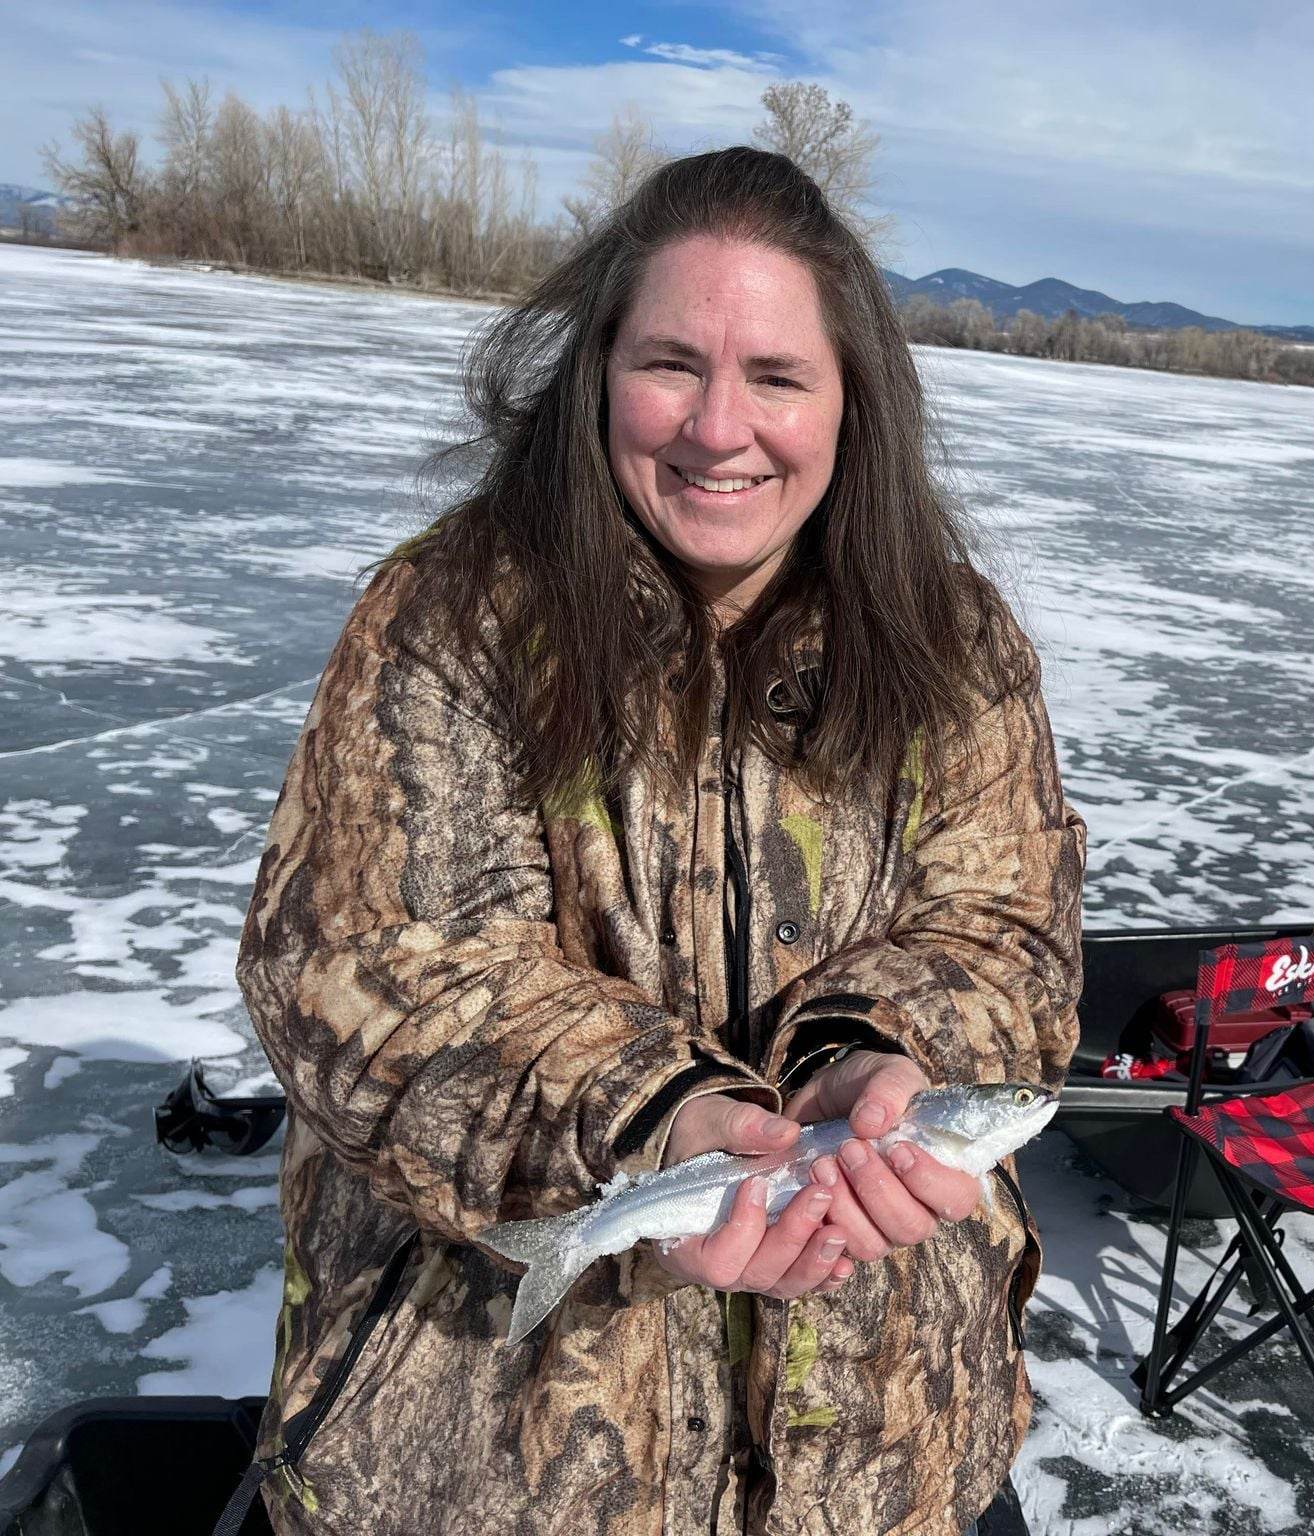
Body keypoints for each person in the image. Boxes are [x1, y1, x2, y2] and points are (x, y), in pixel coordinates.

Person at [232, 147, 1086, 1536]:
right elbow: (369, 967)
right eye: (672, 363)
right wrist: (669, 1119)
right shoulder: (453, 620)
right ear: (597, 371)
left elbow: (1008, 936)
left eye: (779, 377)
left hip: (878, 1457)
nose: (718, 427)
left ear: (852, 403)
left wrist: (869, 1056)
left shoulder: (957, 642)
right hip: (498, 1465)